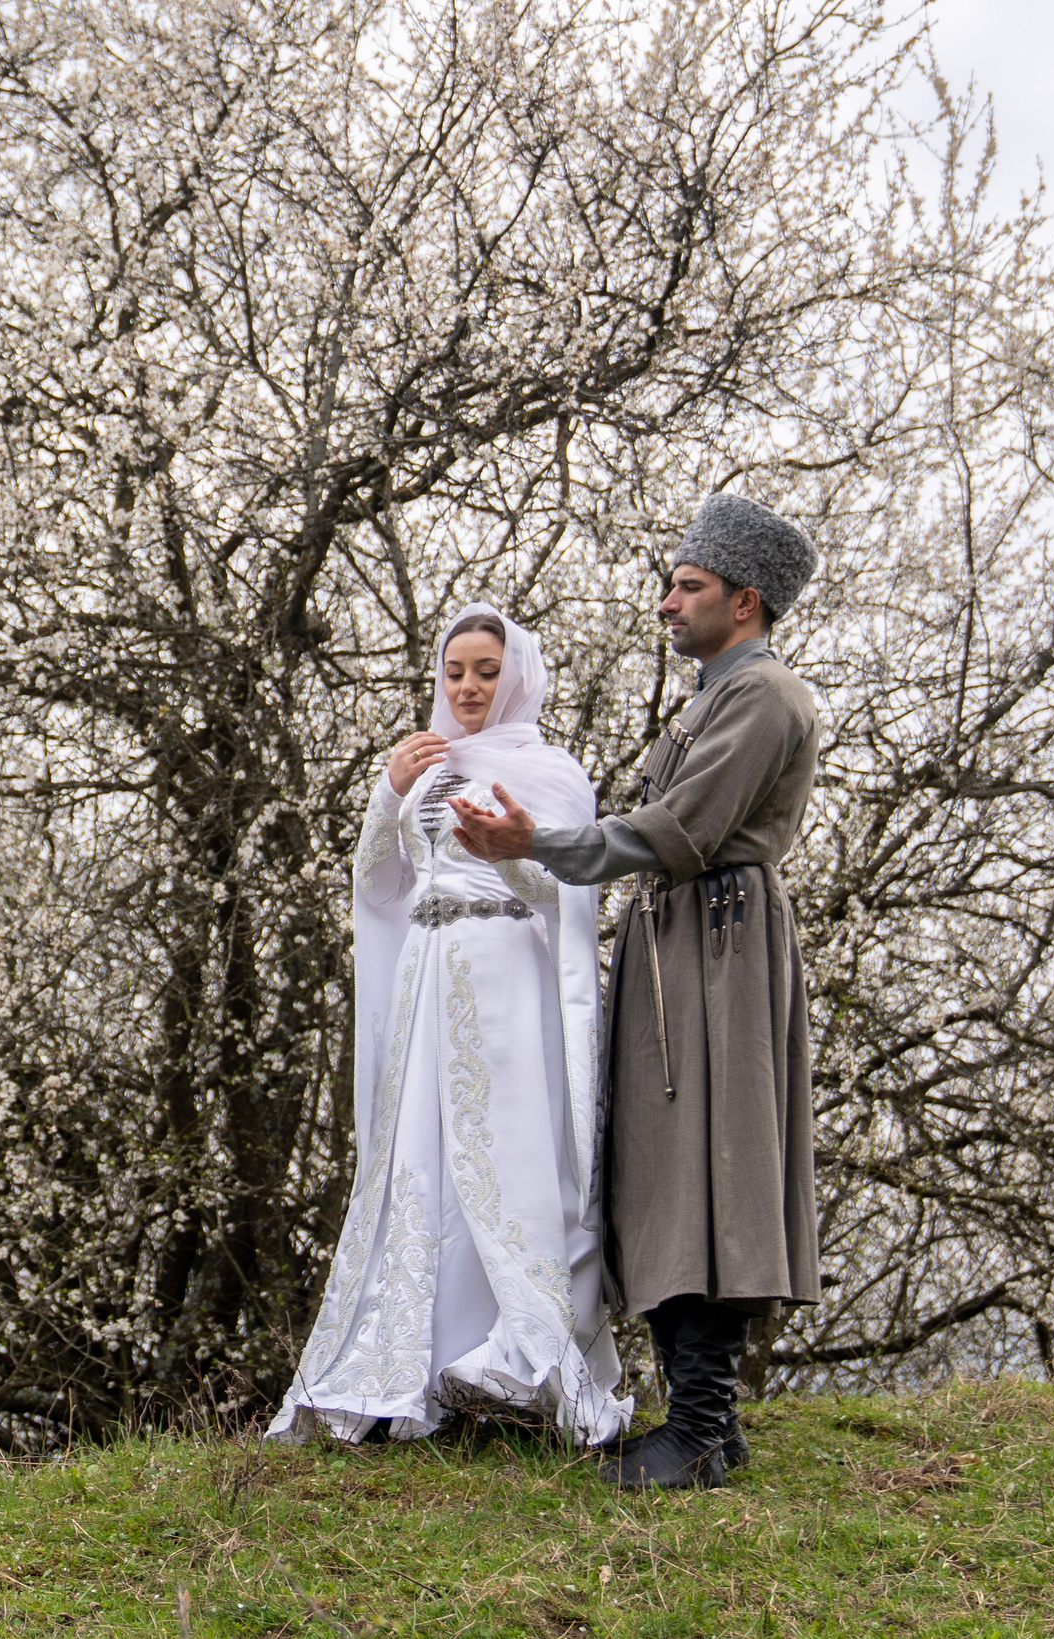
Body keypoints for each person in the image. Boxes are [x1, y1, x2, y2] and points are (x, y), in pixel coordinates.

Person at [453, 494, 822, 1491]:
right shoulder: (717, 695)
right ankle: (705, 1423)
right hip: (679, 948)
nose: (666, 601)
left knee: (708, 1177)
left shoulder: (764, 699)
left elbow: (677, 831)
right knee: (665, 1174)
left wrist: (535, 843)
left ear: (743, 602)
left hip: (718, 952)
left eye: (687, 586)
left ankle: (700, 1425)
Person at [267, 605, 631, 1448]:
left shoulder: (547, 770)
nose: (468, 687)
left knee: (500, 1153)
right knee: (420, 1158)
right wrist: (388, 791)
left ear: (519, 676)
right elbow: (381, 884)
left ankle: (518, 1360)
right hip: (425, 981)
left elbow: (571, 897)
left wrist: (511, 854)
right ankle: (417, 1369)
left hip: (503, 976)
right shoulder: (425, 766)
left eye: (486, 670)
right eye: (455, 670)